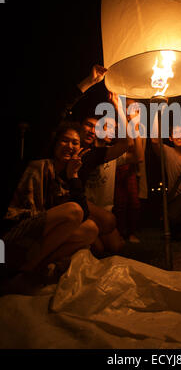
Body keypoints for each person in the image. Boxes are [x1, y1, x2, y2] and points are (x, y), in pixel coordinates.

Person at [1, 121, 105, 285]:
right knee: (73, 210)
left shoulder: (68, 175)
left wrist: (73, 177)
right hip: (14, 237)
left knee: (91, 229)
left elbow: (84, 216)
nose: (69, 146)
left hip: (40, 239)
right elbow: (25, 213)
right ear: (55, 143)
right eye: (64, 140)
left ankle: (33, 267)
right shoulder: (39, 167)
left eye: (75, 143)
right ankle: (23, 271)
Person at [80, 94, 145, 254]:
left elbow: (138, 156)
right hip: (86, 211)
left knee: (116, 247)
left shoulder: (112, 155)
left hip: (106, 211)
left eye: (115, 129)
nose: (111, 131)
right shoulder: (86, 152)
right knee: (98, 249)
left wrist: (133, 124)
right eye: (106, 127)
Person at [113, 99, 148, 243]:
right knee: (119, 202)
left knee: (134, 202)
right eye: (129, 107)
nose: (133, 111)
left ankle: (132, 232)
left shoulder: (141, 129)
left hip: (131, 169)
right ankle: (121, 232)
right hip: (117, 168)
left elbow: (140, 154)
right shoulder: (117, 126)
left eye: (136, 109)